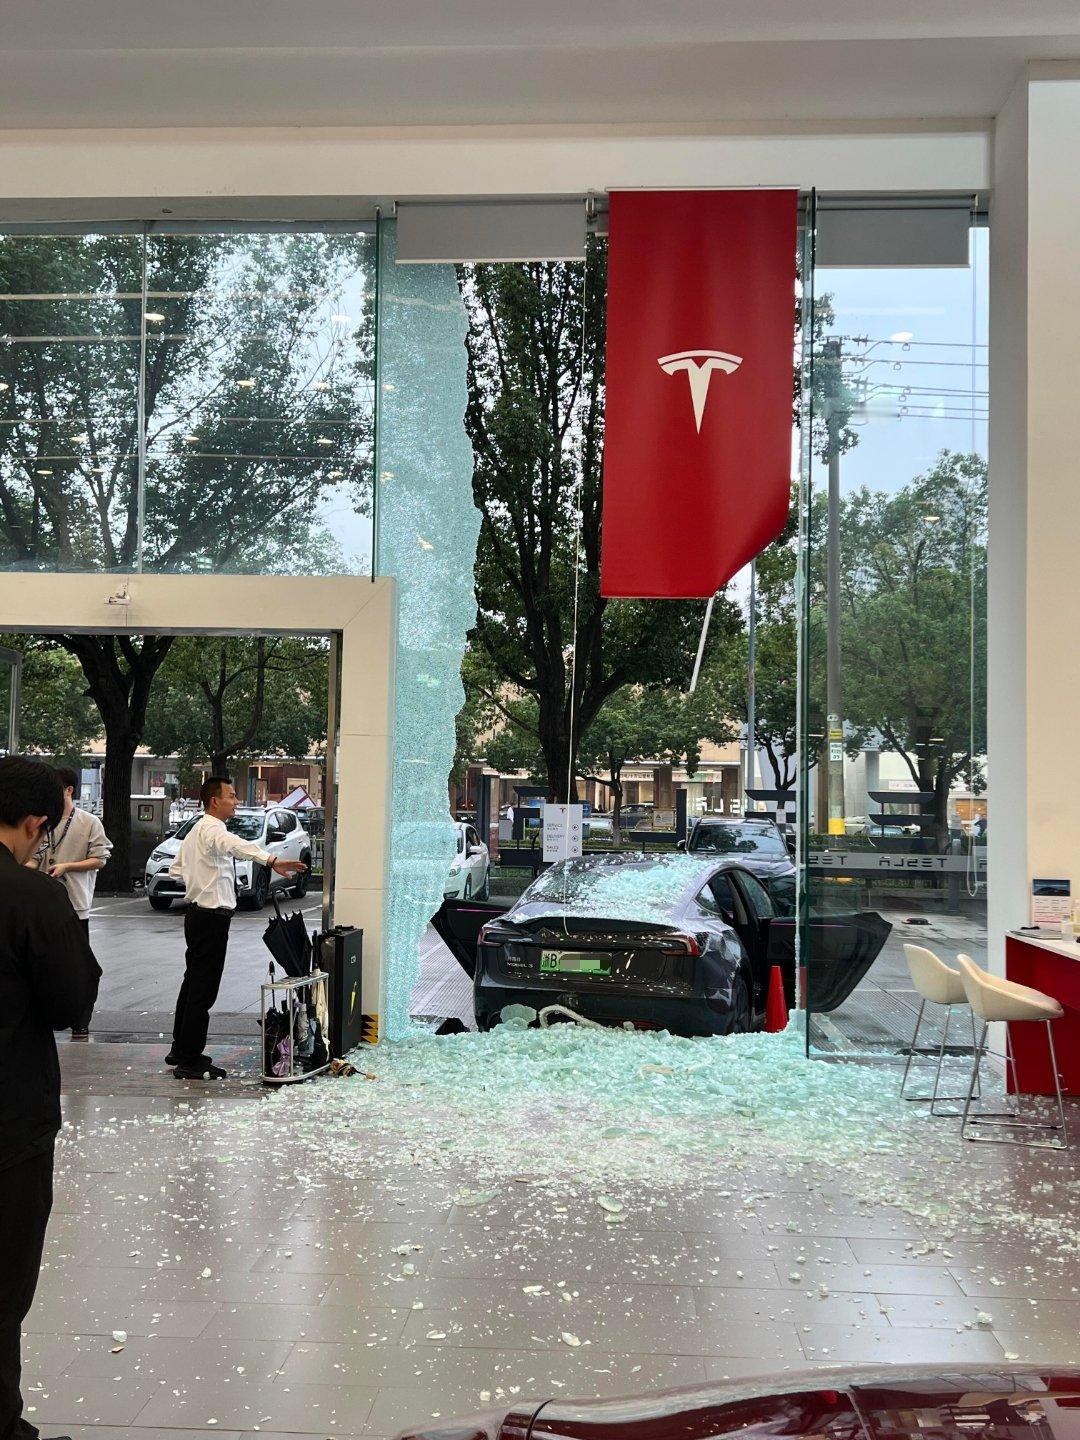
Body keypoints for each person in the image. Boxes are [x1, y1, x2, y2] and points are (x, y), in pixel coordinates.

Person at [0, 756, 100, 1440]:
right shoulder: (31, 900)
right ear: (36, 822)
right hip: (7, 1122)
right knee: (1, 1287)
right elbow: (71, 1002)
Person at [167, 776, 306, 1080]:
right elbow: (234, 845)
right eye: (231, 796)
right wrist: (271, 860)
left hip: (199, 915)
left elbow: (176, 869)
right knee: (203, 990)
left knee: (192, 985)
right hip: (211, 918)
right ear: (214, 801)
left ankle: (181, 1048)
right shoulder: (212, 829)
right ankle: (189, 1060)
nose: (236, 801)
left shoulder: (195, 831)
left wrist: (202, 880)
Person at [29, 766, 111, 1039]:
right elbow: (33, 857)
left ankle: (81, 1020)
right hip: (42, 903)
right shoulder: (42, 820)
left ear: (69, 790)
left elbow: (100, 859)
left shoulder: (89, 822)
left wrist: (67, 866)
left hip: (76, 905)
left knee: (80, 966)